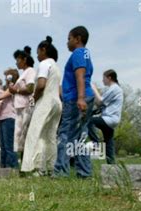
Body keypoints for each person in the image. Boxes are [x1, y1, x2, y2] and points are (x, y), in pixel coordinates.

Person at [55, 25, 95, 178]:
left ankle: (60, 172)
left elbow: (80, 75)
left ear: (78, 39)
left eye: (69, 38)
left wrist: (80, 98)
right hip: (84, 96)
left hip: (75, 99)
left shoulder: (78, 53)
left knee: (65, 134)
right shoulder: (85, 53)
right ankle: (84, 173)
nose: (67, 42)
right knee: (80, 136)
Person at [22, 36, 62, 175]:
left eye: (38, 52)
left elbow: (41, 85)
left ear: (44, 50)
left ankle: (35, 168)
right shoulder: (56, 67)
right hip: (56, 102)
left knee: (35, 133)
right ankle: (50, 167)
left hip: (45, 101)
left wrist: (33, 99)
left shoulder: (44, 64)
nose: (37, 55)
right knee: (50, 136)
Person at [88, 69, 123, 164]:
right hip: (112, 120)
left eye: (104, 78)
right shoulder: (115, 89)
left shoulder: (114, 88)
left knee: (89, 121)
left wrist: (93, 88)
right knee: (109, 142)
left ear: (109, 78)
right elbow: (100, 103)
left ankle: (96, 143)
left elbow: (100, 101)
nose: (102, 80)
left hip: (109, 119)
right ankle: (111, 165)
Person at [10, 46, 36, 157]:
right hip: (21, 108)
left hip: (27, 106)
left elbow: (30, 88)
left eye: (18, 60)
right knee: (21, 137)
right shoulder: (24, 73)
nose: (16, 63)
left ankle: (29, 165)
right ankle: (24, 165)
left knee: (27, 135)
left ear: (24, 60)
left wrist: (17, 90)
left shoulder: (30, 71)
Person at [0, 70, 18, 169]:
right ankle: (4, 168)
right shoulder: (5, 89)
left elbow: (1, 96)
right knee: (3, 146)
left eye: (7, 76)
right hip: (2, 118)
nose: (6, 79)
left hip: (9, 117)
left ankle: (12, 167)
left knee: (8, 145)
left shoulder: (13, 87)